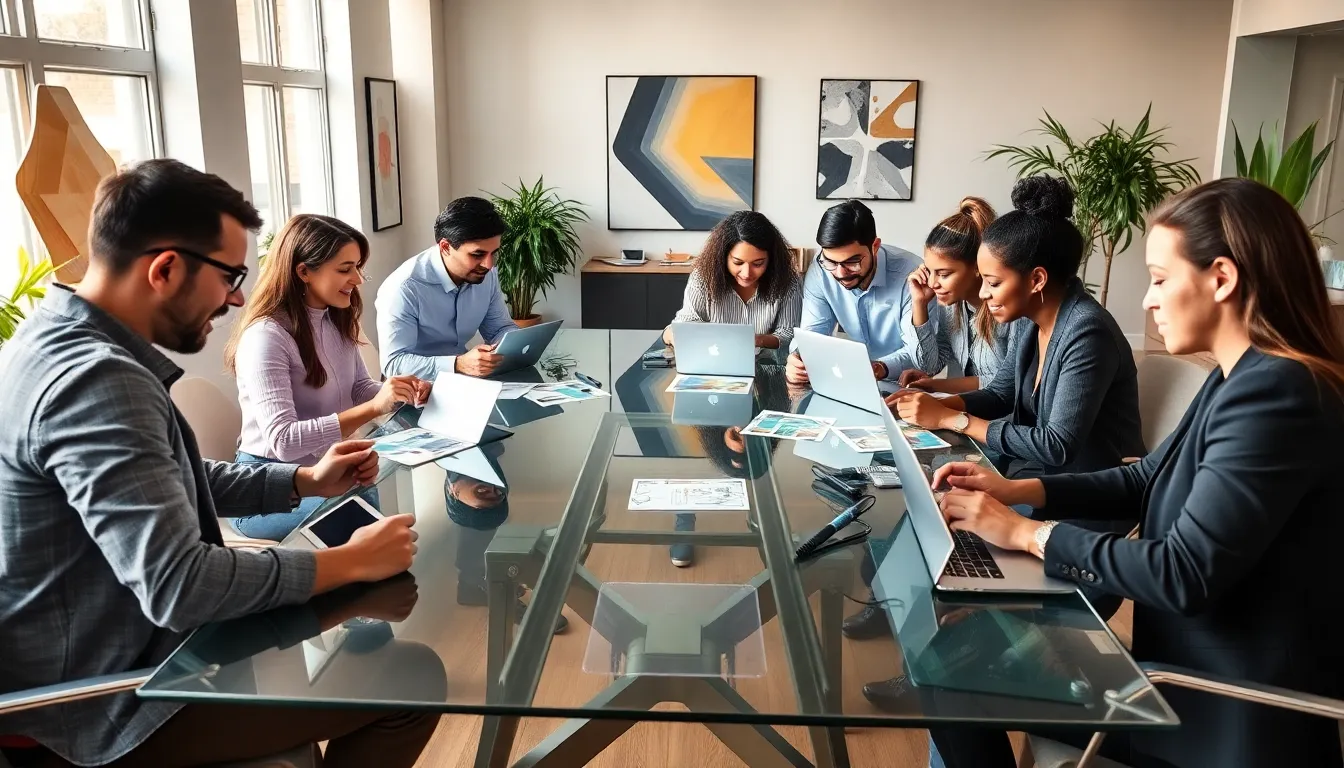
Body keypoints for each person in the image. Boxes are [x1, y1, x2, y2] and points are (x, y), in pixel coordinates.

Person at [0, 159, 433, 768]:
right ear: (166, 268)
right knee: (412, 678)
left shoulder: (51, 339)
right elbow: (182, 586)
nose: (236, 297)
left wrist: (303, 479)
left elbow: (168, 475)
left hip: (117, 662)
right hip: (99, 710)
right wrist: (347, 562)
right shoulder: (97, 381)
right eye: (229, 275)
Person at [924, 178, 1344, 768]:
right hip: (1174, 681)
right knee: (956, 663)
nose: (1147, 300)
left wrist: (1025, 532)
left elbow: (1182, 573)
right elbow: (1147, 476)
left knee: (951, 680)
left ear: (1221, 278)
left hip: (1209, 712)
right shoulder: (1243, 377)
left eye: (1160, 279)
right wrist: (1018, 489)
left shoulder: (1279, 393)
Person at [890, 177, 1143, 479]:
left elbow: (1057, 445)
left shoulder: (1088, 332)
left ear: (1037, 280)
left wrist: (952, 418)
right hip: (1037, 475)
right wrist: (932, 405)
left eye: (993, 283)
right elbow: (1001, 393)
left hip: (1089, 492)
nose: (983, 293)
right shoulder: (1033, 321)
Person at [224, 214, 432, 541]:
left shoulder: (337, 319)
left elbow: (359, 387)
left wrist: (401, 392)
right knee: (358, 517)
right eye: (345, 269)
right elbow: (284, 441)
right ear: (304, 271)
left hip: (325, 472)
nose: (358, 279)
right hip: (263, 491)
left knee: (366, 505)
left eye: (358, 267)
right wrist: (374, 408)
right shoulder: (266, 337)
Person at [786, 199, 931, 385]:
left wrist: (879, 367)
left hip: (904, 383)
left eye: (852, 262)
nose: (839, 273)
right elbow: (812, 333)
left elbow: (920, 354)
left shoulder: (912, 275)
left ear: (875, 247)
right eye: (830, 261)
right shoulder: (820, 270)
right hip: (851, 381)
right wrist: (797, 357)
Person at [376, 196, 519, 379]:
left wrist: (512, 345)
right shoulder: (404, 289)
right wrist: (458, 364)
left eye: (494, 253)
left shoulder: (485, 274)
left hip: (463, 383)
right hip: (415, 393)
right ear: (445, 247)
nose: (489, 265)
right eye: (478, 254)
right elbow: (393, 364)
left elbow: (499, 329)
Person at [898, 197, 1014, 394]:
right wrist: (919, 304)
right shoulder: (954, 306)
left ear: (978, 266)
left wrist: (936, 385)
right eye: (930, 271)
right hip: (967, 410)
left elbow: (1007, 382)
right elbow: (931, 365)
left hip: (1003, 420)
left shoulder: (1007, 310)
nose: (933, 283)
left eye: (943, 274)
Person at [662, 210, 803, 351]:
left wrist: (757, 339)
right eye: (738, 262)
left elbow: (788, 334)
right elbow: (687, 323)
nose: (747, 273)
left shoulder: (788, 280)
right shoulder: (704, 277)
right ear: (723, 256)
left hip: (765, 365)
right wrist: (674, 335)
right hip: (714, 363)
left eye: (758, 263)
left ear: (772, 259)